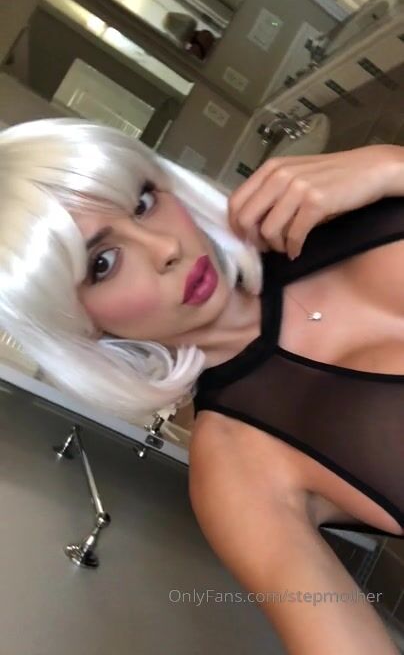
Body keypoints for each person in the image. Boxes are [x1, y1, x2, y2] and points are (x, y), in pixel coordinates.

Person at [0, 118, 402, 654]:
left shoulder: (341, 206)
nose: (165, 246)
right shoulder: (236, 467)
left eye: (143, 202)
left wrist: (392, 165)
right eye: (104, 263)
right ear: (80, 323)